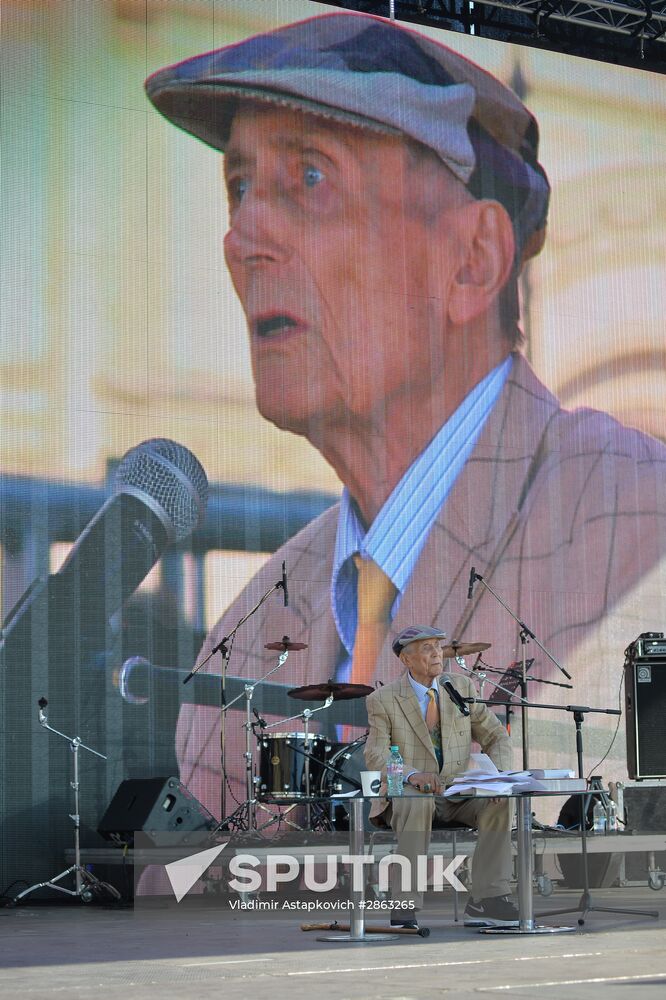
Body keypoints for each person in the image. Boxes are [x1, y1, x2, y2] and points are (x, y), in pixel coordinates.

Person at [145, 12, 666, 818]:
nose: (242, 234)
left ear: (473, 260)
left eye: (310, 179)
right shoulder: (247, 627)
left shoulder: (637, 520)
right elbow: (192, 885)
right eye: (240, 186)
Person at [365, 624, 515, 927]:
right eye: (426, 648)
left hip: (457, 792)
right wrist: (411, 774)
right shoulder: (383, 699)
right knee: (416, 802)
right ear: (406, 660)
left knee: (499, 803)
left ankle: (487, 898)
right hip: (410, 792)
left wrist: (498, 777)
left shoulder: (460, 687)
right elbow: (375, 755)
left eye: (437, 645)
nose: (436, 653)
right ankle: (404, 903)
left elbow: (496, 736)